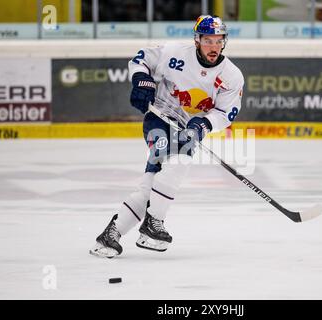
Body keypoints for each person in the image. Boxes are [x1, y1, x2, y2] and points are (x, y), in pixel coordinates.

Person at [89, 15, 244, 258]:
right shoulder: (173, 52)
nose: (213, 46)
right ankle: (153, 223)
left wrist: (202, 124)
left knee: (149, 186)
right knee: (180, 161)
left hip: (188, 129)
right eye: (208, 40)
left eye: (218, 40)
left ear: (224, 42)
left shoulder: (232, 76)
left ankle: (110, 236)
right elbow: (141, 60)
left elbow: (225, 113)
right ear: (197, 40)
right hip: (159, 118)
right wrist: (141, 80)